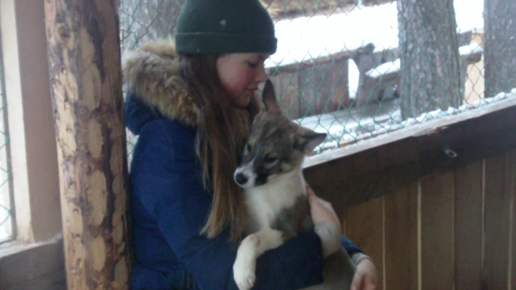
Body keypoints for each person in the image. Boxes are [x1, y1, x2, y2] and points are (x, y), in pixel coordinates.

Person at [123, 0, 378, 289]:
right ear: (210, 58)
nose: (262, 76)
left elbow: (290, 215)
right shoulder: (166, 149)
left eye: (265, 63)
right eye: (253, 63)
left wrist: (354, 257)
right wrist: (326, 241)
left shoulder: (238, 119)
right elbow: (227, 280)